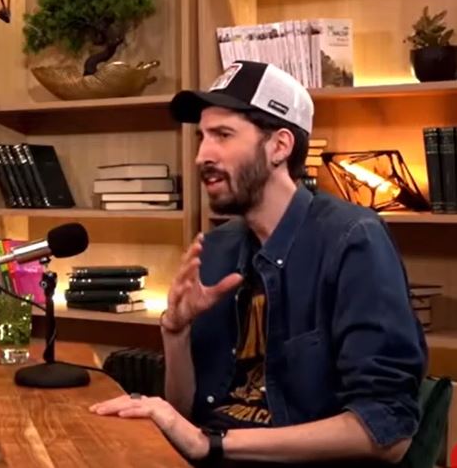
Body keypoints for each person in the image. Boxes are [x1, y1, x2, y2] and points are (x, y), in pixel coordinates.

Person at [89, 61, 427, 466]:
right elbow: (188, 417)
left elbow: (388, 431)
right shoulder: (216, 248)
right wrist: (175, 332)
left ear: (279, 146)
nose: (201, 156)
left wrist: (215, 444)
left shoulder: (353, 240)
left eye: (223, 135)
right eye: (201, 137)